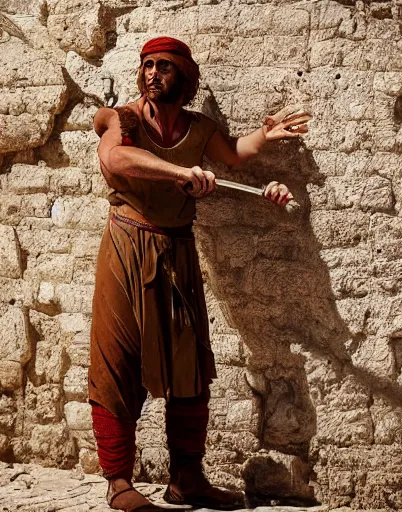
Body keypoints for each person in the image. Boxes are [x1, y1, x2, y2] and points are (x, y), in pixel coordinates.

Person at [89, 36, 310, 512]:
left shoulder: (199, 128)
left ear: (185, 79)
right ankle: (118, 482)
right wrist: (178, 173)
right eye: (147, 65)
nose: (152, 74)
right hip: (127, 246)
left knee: (190, 367)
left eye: (164, 67)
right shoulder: (122, 118)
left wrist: (264, 138)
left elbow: (232, 155)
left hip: (179, 250)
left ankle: (186, 479)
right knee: (117, 360)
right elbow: (113, 158)